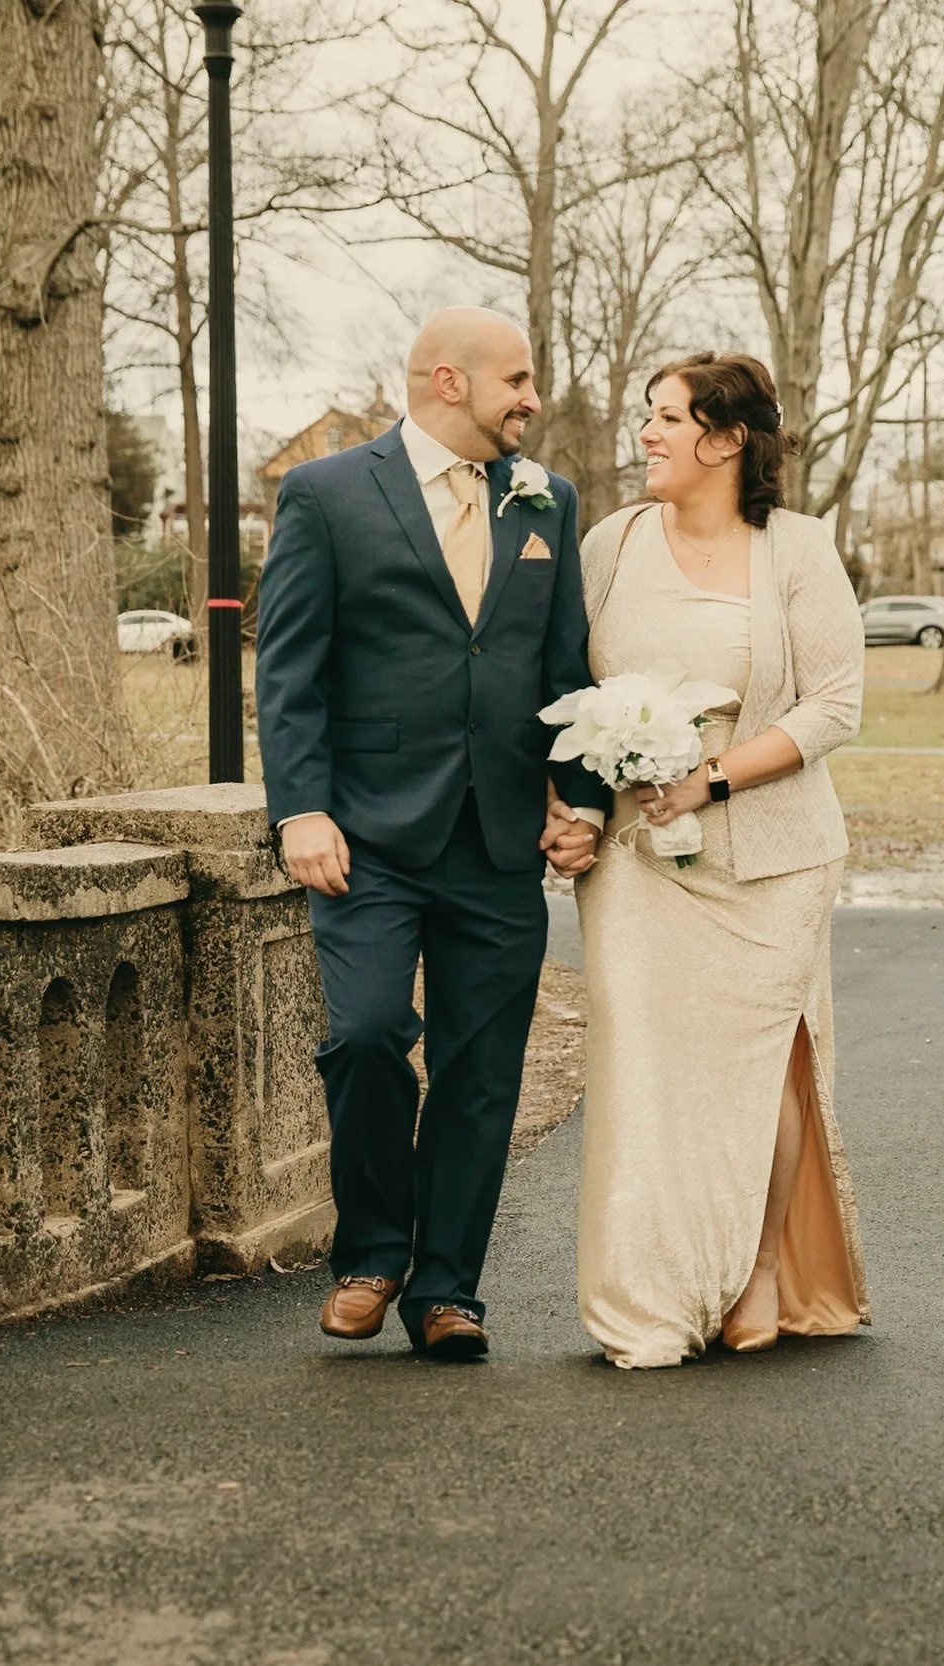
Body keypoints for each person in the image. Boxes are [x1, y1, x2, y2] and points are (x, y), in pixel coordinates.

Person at [255, 307, 606, 1361]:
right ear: (449, 381)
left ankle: (447, 1287)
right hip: (363, 835)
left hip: (497, 839)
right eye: (519, 380)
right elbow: (289, 668)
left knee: (481, 1069)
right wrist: (299, 807)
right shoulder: (325, 494)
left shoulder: (546, 499)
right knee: (363, 1037)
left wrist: (580, 796)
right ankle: (370, 1253)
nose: (533, 401)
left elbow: (564, 666)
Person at [572, 352, 870, 1369]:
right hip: (635, 861)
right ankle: (647, 1291)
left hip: (772, 857)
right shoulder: (609, 544)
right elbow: (558, 682)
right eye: (648, 417)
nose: (647, 435)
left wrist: (711, 779)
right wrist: (573, 800)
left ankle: (759, 1274)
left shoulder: (794, 548)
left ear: (727, 438)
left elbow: (835, 702)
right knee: (646, 1072)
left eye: (666, 418)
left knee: (765, 1071)